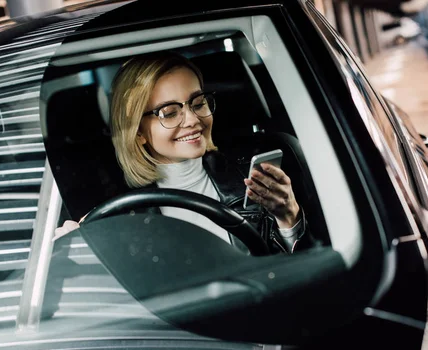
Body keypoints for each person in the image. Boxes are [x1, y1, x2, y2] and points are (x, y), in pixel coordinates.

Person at [54, 52, 312, 253]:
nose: (192, 119)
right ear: (138, 133)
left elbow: (302, 273)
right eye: (169, 112)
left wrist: (289, 218)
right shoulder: (117, 218)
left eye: (198, 103)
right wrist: (72, 254)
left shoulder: (259, 179)